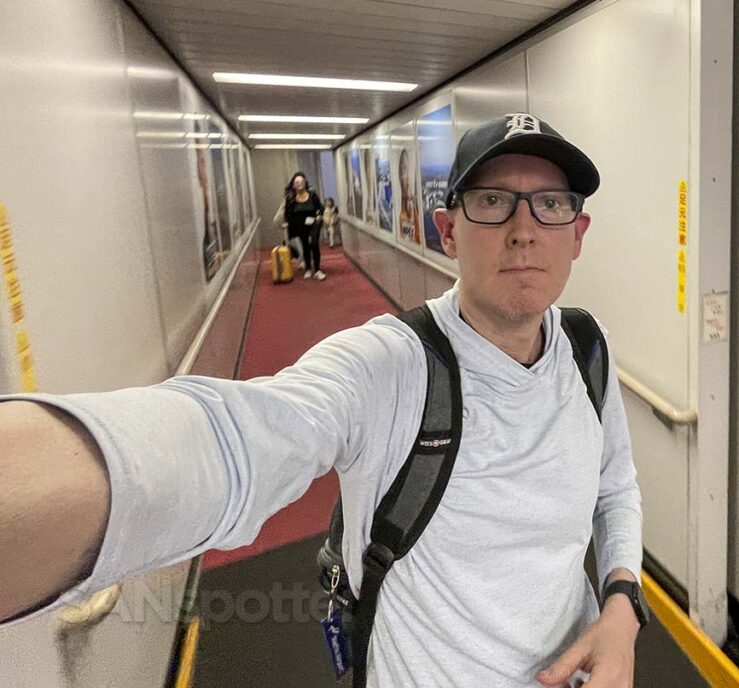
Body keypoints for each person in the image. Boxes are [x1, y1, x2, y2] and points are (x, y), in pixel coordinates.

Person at [0, 114, 646, 688]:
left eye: (551, 205)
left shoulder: (588, 348)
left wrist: (621, 604)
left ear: (578, 232)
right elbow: (247, 435)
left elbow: (614, 488)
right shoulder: (388, 366)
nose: (524, 230)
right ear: (447, 231)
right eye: (493, 202)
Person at [284, 172, 326, 281]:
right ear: (293, 185)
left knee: (314, 244)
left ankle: (317, 270)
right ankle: (308, 268)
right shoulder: (291, 199)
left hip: (314, 224)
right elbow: (287, 214)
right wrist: (288, 225)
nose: (299, 184)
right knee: (305, 246)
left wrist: (319, 215)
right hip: (300, 226)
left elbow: (321, 207)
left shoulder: (312, 195)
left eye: (301, 182)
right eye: (297, 182)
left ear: (305, 183)